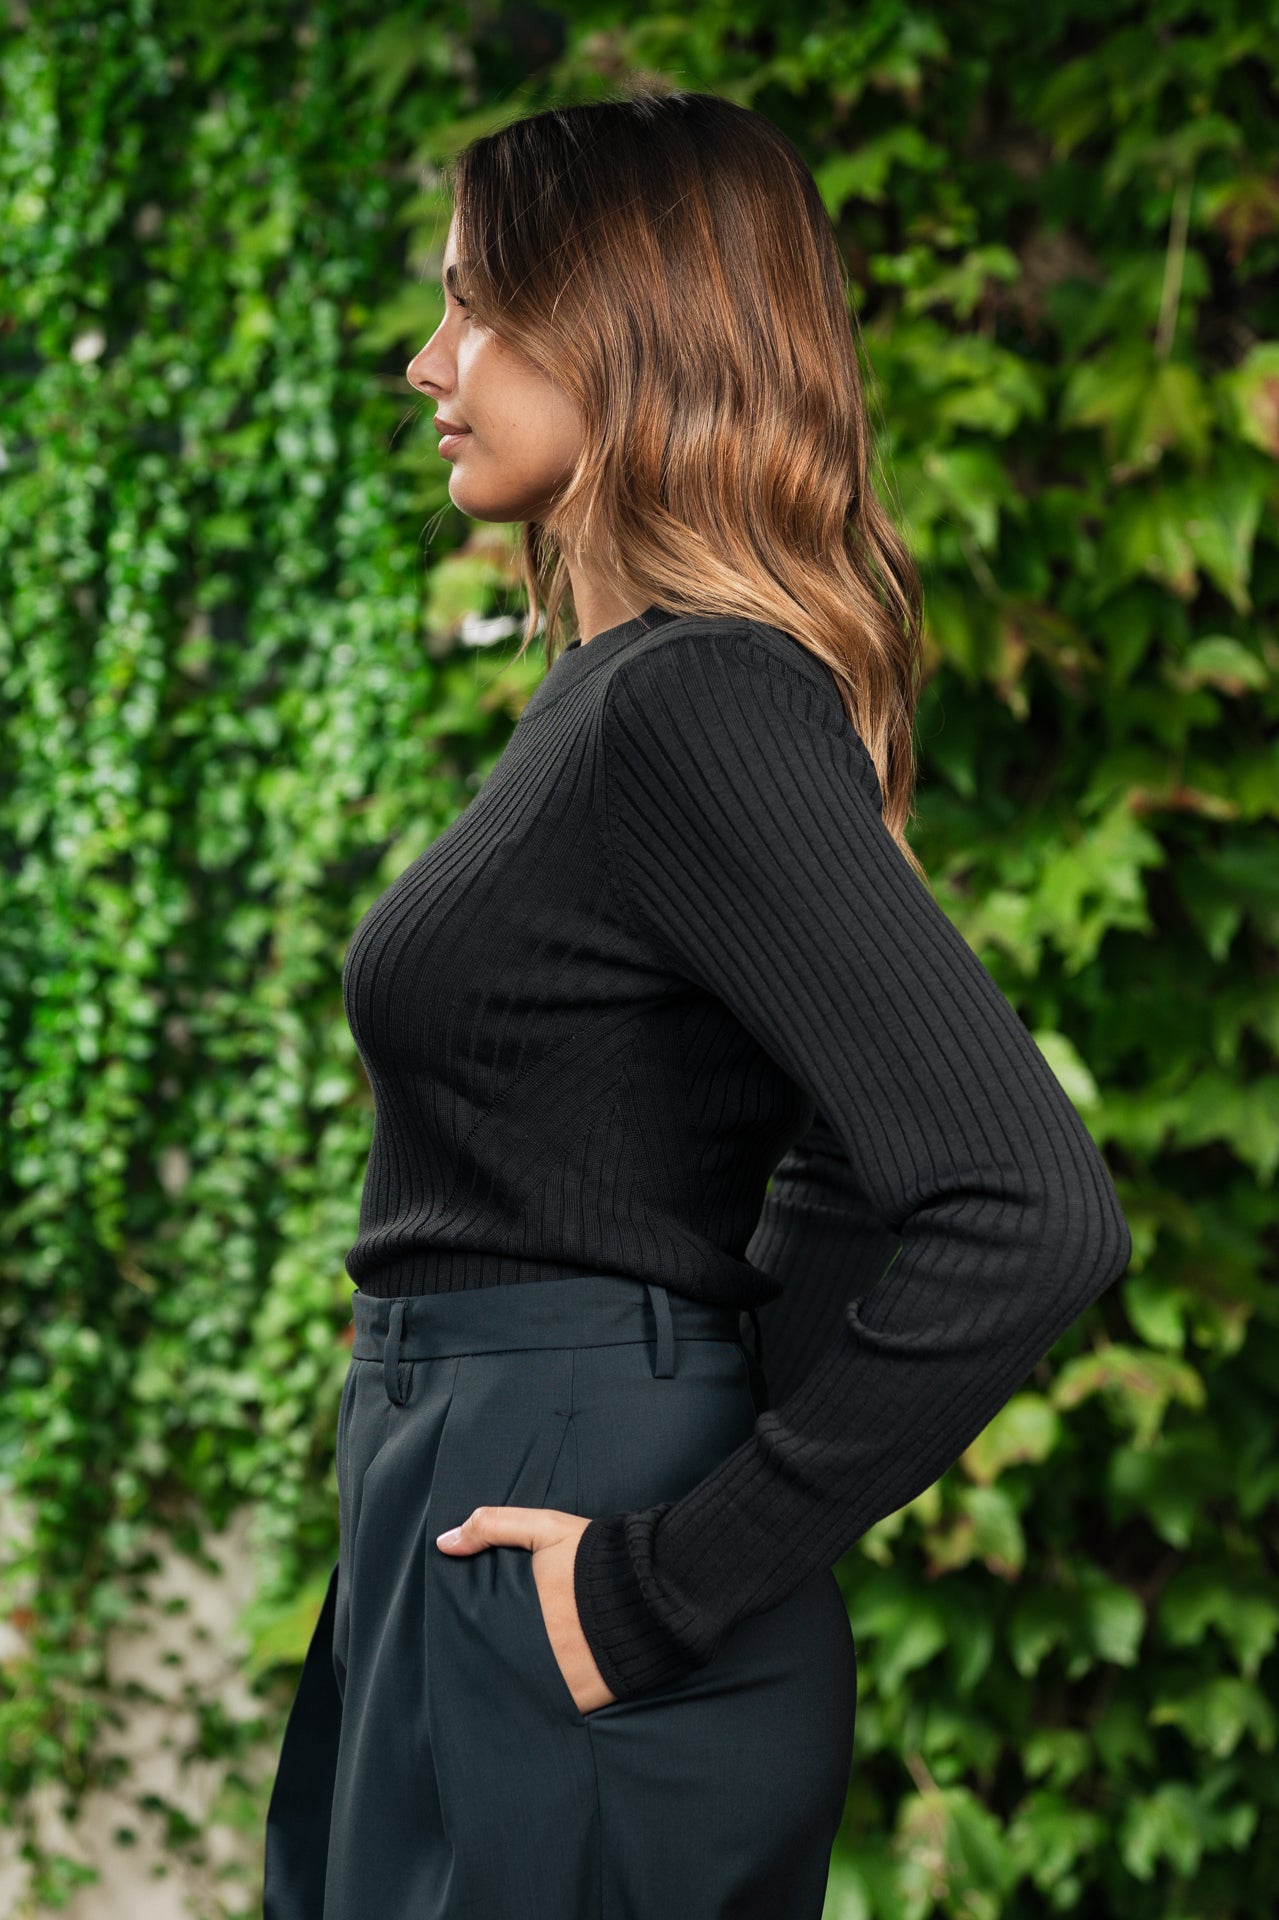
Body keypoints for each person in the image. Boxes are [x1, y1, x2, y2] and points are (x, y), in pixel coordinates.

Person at [262, 83, 1132, 1920]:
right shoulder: (618, 696)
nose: (430, 362)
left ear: (625, 331)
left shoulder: (693, 701)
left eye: (477, 306)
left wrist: (673, 1571)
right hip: (471, 1485)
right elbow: (837, 1165)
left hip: (555, 1522)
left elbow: (1026, 1208)